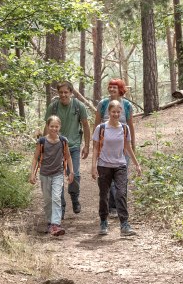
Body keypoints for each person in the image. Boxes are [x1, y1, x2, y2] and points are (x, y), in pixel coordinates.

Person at [92, 100, 142, 236]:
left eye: (118, 112)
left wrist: (137, 164)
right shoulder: (101, 128)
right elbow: (96, 147)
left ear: (121, 113)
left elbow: (128, 147)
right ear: (109, 113)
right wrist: (93, 166)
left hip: (120, 165)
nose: (115, 114)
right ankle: (103, 221)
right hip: (103, 166)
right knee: (104, 195)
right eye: (113, 112)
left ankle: (124, 225)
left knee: (121, 194)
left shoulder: (124, 128)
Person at [44, 81, 90, 218]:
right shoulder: (53, 107)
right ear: (58, 93)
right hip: (55, 147)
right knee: (57, 178)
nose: (63, 95)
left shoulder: (78, 106)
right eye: (61, 92)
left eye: (66, 92)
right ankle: (62, 207)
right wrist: (42, 147)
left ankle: (75, 198)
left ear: (71, 93)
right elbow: (47, 127)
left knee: (74, 174)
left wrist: (87, 146)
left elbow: (86, 126)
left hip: (74, 147)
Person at [93, 79, 136, 218]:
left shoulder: (127, 105)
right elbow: (97, 123)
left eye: (115, 87)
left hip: (122, 143)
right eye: (110, 87)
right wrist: (95, 144)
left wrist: (132, 145)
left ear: (120, 89)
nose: (112, 89)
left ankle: (121, 207)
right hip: (106, 144)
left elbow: (130, 124)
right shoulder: (103, 104)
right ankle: (112, 207)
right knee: (109, 177)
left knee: (121, 176)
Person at [30, 116, 74, 236]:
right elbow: (35, 158)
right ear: (47, 127)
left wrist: (71, 171)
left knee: (56, 198)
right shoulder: (42, 141)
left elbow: (68, 157)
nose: (54, 128)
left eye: (56, 126)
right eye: (51, 126)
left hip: (58, 174)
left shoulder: (63, 141)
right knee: (47, 200)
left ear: (60, 127)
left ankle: (56, 224)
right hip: (44, 174)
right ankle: (50, 222)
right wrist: (32, 173)